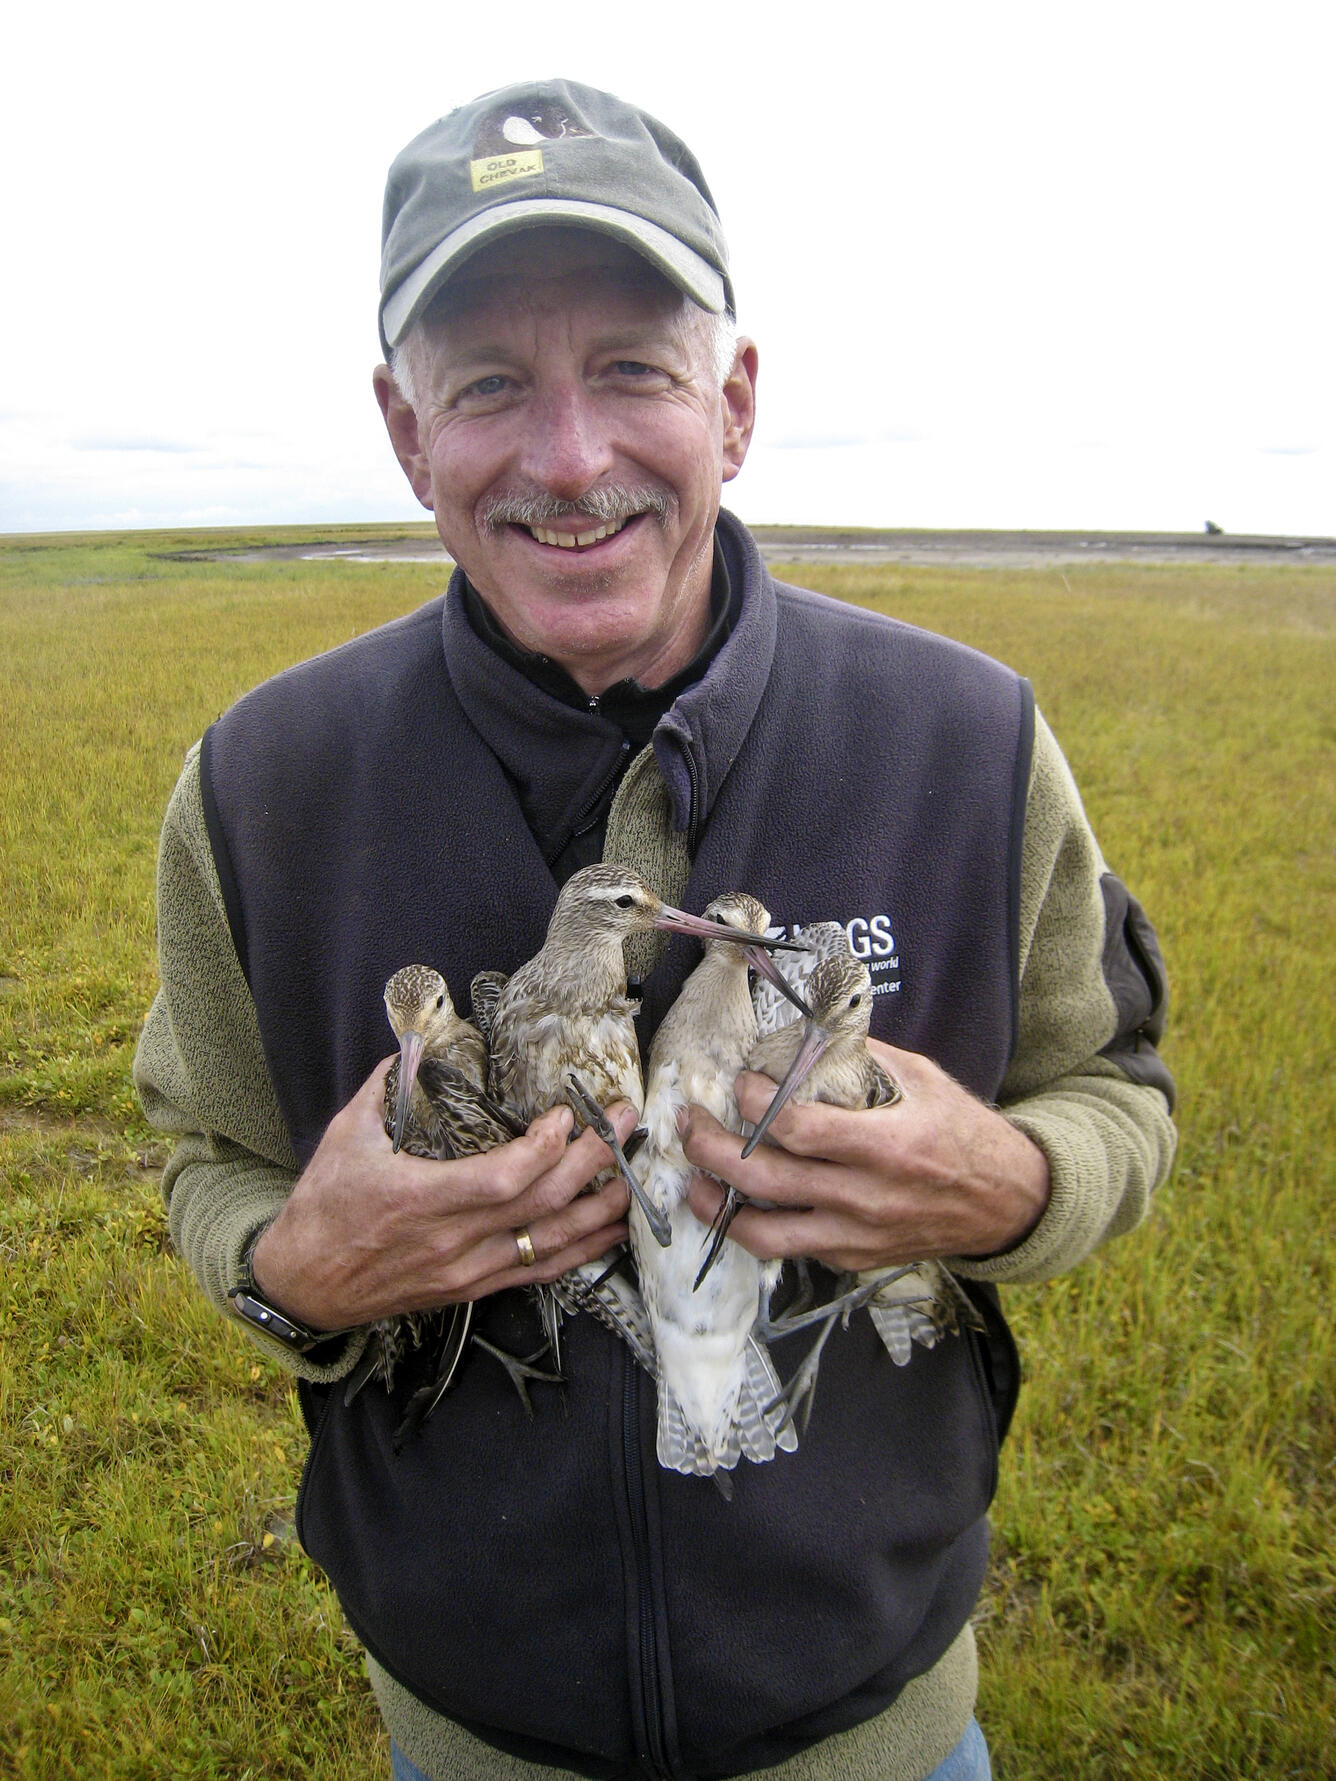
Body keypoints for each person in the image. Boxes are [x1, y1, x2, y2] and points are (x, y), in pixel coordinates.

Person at [134, 78, 1177, 1781]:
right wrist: (291, 1273)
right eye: (489, 386)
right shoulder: (262, 790)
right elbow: (205, 1157)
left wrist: (1016, 1182)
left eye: (632, 367)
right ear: (408, 435)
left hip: (885, 1741)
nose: (568, 459)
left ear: (735, 401)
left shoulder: (965, 743)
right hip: (465, 1739)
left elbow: (1117, 1093)